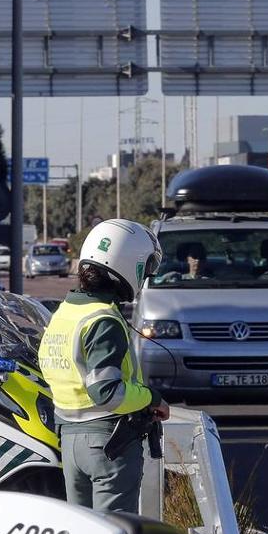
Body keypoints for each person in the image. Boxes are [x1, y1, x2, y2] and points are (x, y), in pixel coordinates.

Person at [38, 219, 170, 513]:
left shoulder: (64, 314)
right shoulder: (104, 320)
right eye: (145, 270)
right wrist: (151, 398)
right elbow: (106, 391)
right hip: (108, 443)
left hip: (70, 442)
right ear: (129, 265)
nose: (145, 278)